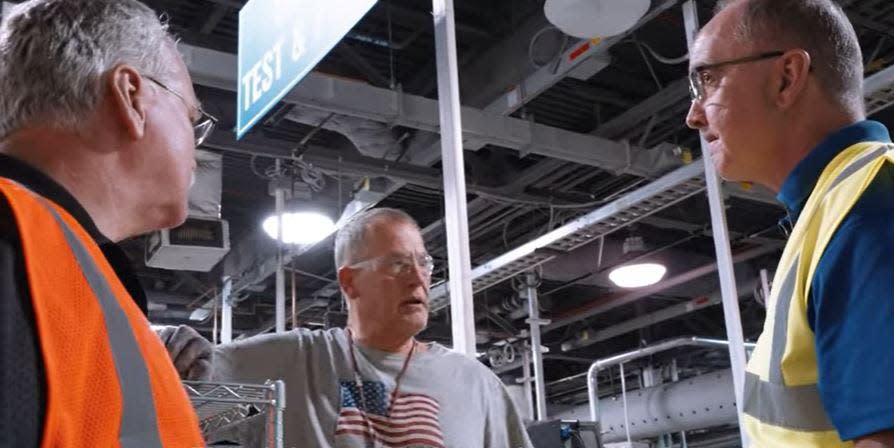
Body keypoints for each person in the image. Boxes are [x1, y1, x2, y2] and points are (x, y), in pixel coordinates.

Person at [0, 0, 214, 446]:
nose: (196, 152)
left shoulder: (63, 265)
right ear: (131, 96)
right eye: (192, 118)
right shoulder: (15, 248)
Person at [686, 0, 894, 446]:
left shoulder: (869, 209)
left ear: (787, 77)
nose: (694, 114)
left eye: (707, 79)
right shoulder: (835, 210)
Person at [168, 208, 533, 448]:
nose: (418, 279)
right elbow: (179, 382)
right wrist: (166, 343)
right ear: (350, 282)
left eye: (424, 264)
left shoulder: (476, 385)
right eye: (397, 265)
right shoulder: (292, 361)